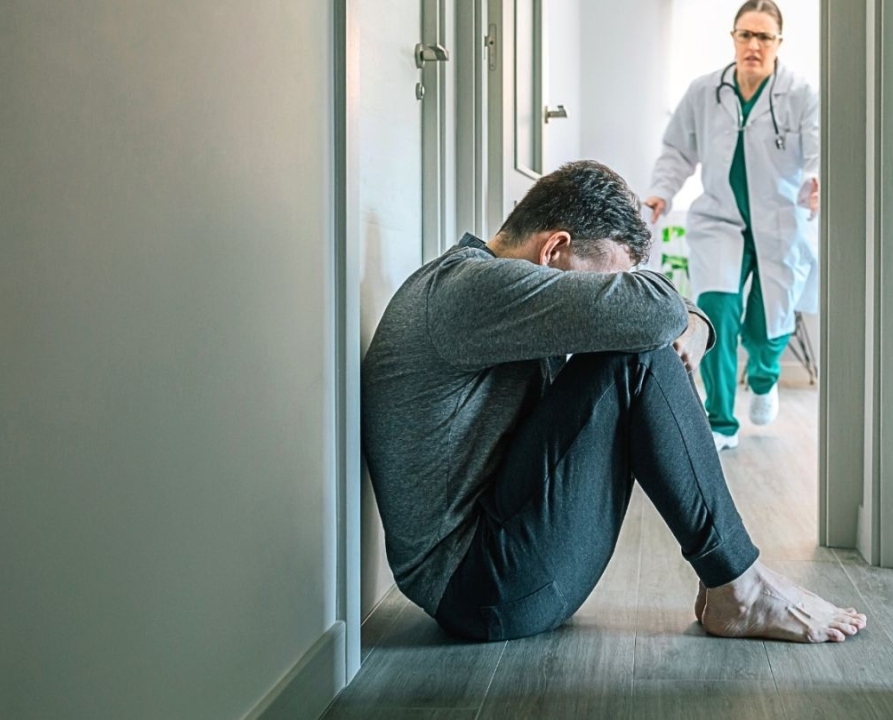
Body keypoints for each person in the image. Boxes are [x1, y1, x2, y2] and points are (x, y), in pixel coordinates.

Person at [362, 161, 865, 644]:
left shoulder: (480, 288)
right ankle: (739, 583)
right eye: (607, 282)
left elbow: (653, 312)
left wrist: (692, 324)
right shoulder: (472, 290)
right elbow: (652, 312)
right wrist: (687, 321)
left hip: (493, 570)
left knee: (637, 341)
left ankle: (734, 577)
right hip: (480, 589)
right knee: (635, 352)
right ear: (554, 249)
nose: (609, 296)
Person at [645, 0, 820, 451]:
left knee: (768, 325)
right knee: (717, 314)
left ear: (779, 43)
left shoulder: (801, 94)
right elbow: (677, 151)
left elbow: (821, 148)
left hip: (781, 220)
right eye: (746, 35)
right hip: (720, 219)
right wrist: (661, 191)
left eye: (764, 36)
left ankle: (764, 376)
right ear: (733, 38)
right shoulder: (706, 91)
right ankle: (719, 420)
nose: (753, 45)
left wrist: (818, 181)